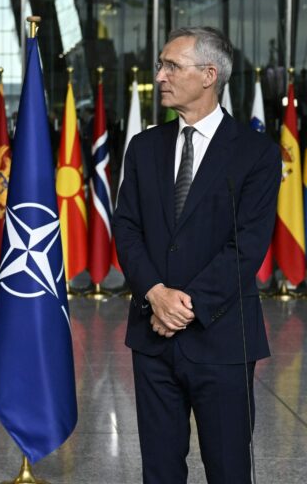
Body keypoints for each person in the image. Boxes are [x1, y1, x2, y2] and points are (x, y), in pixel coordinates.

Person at [113, 27, 280, 483]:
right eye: (160, 66)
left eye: (172, 66)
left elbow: (247, 247)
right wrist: (155, 294)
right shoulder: (144, 147)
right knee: (160, 471)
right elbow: (126, 228)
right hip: (151, 339)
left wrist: (183, 308)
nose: (160, 76)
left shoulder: (256, 153)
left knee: (228, 470)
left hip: (222, 339)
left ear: (209, 75)